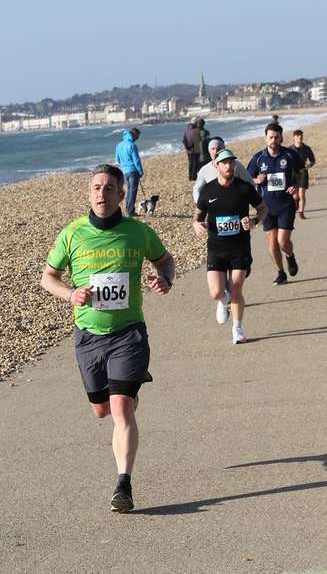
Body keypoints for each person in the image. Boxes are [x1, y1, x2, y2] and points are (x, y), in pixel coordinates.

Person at [40, 164, 175, 513]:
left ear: (120, 195)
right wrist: (70, 295)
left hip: (129, 333)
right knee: (101, 410)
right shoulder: (72, 234)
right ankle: (125, 394)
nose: (102, 194)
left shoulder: (137, 232)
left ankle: (123, 485)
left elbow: (165, 261)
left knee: (121, 410)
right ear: (90, 194)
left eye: (110, 188)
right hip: (88, 336)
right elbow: (48, 278)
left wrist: (165, 280)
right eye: (96, 188)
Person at [193, 150, 267, 344]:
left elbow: (262, 208)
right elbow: (197, 216)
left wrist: (255, 220)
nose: (229, 166)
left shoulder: (244, 188)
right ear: (216, 166)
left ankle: (237, 329)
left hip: (239, 247)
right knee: (216, 292)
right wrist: (196, 225)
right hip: (216, 248)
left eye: (231, 163)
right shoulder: (208, 191)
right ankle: (221, 300)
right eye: (224, 163)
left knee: (236, 288)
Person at [247, 123, 304, 285]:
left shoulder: (290, 155)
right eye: (270, 137)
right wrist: (256, 180)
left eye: (276, 137)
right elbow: (247, 178)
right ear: (265, 138)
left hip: (286, 205)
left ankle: (290, 256)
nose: (273, 140)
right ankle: (280, 273)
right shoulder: (258, 158)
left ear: (281, 138)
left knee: (283, 242)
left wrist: (296, 186)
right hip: (266, 207)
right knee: (272, 243)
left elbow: (300, 173)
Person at [192, 137, 253, 204]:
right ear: (209, 152)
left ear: (223, 150)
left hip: (236, 205)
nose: (215, 152)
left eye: (218, 149)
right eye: (212, 149)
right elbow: (197, 189)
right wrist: (200, 204)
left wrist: (245, 199)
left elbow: (250, 182)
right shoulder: (204, 170)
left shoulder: (235, 165)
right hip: (215, 207)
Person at [114, 127, 144, 216]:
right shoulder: (132, 145)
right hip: (133, 171)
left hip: (125, 171)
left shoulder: (119, 145)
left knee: (129, 190)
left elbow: (117, 159)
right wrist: (140, 171)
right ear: (134, 135)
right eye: (138, 137)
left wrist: (124, 165)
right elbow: (136, 160)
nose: (137, 139)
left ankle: (128, 209)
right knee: (133, 191)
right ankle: (130, 211)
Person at [291, 130, 316, 219]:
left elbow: (313, 160)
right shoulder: (290, 149)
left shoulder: (306, 148)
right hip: (293, 174)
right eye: (297, 136)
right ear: (294, 137)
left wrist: (309, 165)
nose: (300, 137)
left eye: (301, 136)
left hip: (303, 172)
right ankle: (296, 201)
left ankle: (301, 212)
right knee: (295, 195)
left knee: (302, 194)